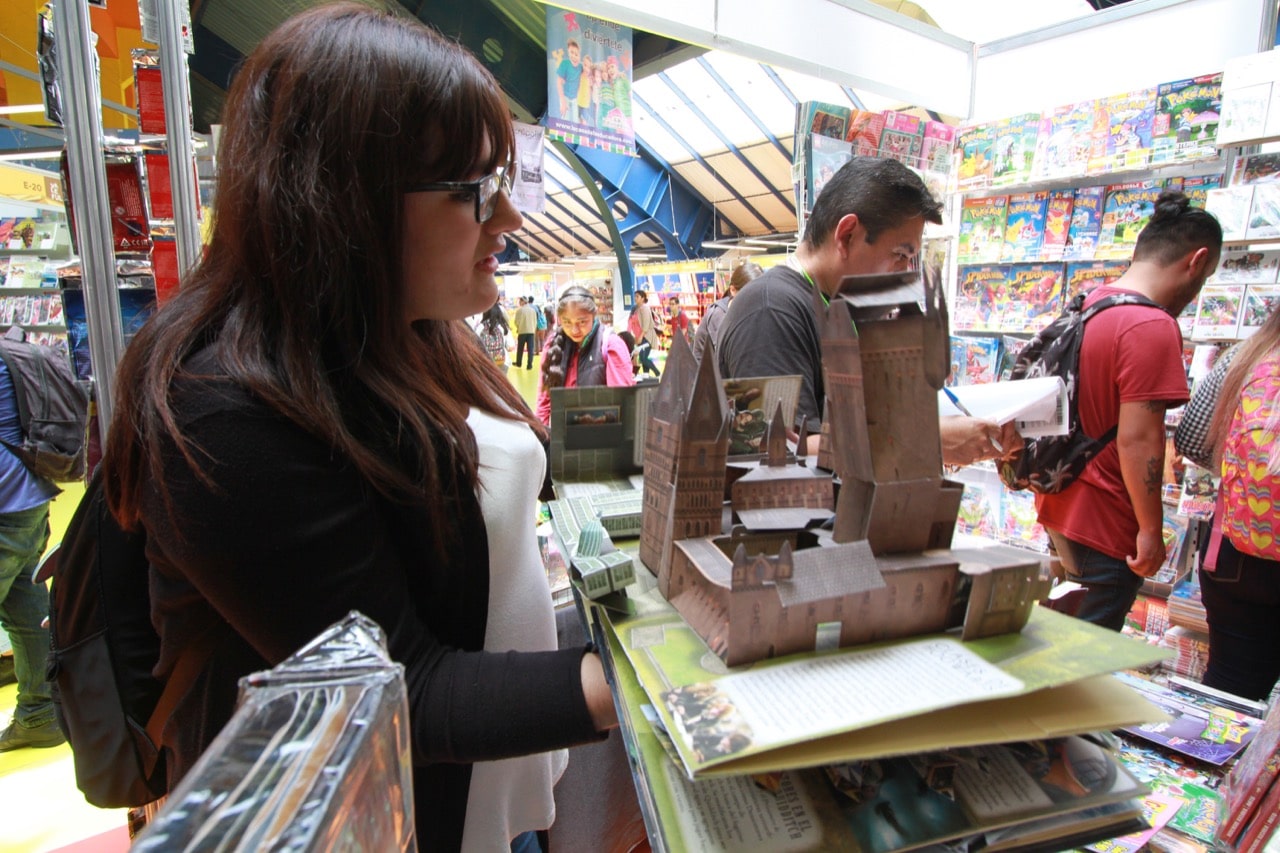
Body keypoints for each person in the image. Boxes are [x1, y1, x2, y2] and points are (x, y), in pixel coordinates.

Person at [98, 6, 616, 849]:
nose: (509, 220)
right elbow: (400, 682)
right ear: (348, 200)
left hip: (498, 777)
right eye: (474, 191)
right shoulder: (220, 413)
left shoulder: (415, 326)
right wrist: (647, 687)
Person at [718, 156, 1020, 464]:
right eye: (900, 255)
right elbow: (775, 457)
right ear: (847, 235)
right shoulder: (770, 311)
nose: (903, 272)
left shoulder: (834, 308)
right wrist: (928, 441)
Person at [1035, 191, 1221, 631]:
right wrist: (1150, 531)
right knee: (1081, 663)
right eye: (1206, 276)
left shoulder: (1091, 304)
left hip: (1061, 507)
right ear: (1196, 261)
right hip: (1107, 524)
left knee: (1059, 640)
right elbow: (1140, 439)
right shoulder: (1152, 325)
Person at [1174, 304, 1280, 700]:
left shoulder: (1248, 354)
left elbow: (1190, 440)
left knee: (1229, 689)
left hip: (1238, 557)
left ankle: (1207, 760)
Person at [0, 355, 63, 752]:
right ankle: (41, 712)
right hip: (28, 492)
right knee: (25, 610)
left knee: (25, 611)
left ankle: (41, 712)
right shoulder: (11, 354)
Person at [536, 286, 636, 425]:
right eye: (567, 322)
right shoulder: (552, 345)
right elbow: (544, 401)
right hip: (563, 437)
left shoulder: (611, 345)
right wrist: (543, 436)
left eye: (582, 322)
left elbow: (622, 404)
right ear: (559, 319)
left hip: (601, 436)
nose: (574, 329)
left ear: (594, 316)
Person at [692, 261, 762, 363]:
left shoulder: (746, 313)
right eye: (749, 294)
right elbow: (727, 357)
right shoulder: (719, 315)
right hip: (707, 375)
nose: (754, 300)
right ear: (733, 290)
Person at [629, 290, 660, 377]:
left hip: (647, 336)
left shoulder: (644, 308)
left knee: (643, 357)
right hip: (641, 336)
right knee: (643, 356)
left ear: (643, 298)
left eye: (637, 296)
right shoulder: (637, 309)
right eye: (635, 296)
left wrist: (640, 337)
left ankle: (657, 373)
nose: (635, 298)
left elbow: (646, 325)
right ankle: (646, 374)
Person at [476, 301, 512, 373]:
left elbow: (475, 344)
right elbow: (511, 346)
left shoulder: (480, 326)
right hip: (503, 361)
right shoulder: (503, 326)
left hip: (486, 361)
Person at [513, 296, 539, 369]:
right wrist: (533, 329)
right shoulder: (533, 311)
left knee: (520, 348)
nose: (519, 303)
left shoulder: (520, 311)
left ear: (523, 301)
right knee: (530, 348)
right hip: (531, 332)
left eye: (520, 301)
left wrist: (519, 327)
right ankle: (529, 365)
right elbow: (535, 321)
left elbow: (516, 322)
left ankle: (519, 363)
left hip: (522, 331)